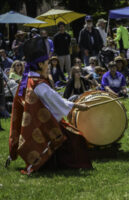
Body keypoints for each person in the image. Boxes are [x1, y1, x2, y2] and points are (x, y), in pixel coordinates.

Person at [8, 37, 92, 175]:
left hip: (37, 124)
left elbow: (52, 100)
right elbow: (55, 101)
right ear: (40, 64)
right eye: (47, 63)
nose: (48, 66)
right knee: (78, 138)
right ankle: (58, 163)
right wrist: (77, 106)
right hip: (44, 126)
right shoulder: (38, 84)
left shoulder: (27, 80)